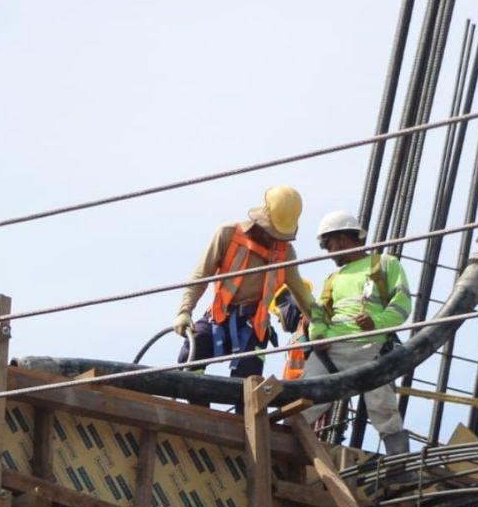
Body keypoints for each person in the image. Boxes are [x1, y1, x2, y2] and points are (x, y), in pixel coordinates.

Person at [173, 185, 315, 380]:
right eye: (272, 231)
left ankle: (241, 410)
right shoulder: (228, 234)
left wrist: (323, 324)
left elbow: (303, 296)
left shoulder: (285, 254)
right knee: (192, 355)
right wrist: (184, 311)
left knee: (248, 385)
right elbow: (201, 275)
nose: (275, 238)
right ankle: (195, 408)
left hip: (254, 327)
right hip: (219, 317)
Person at [300, 210, 412, 456]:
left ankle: (399, 462)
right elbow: (319, 313)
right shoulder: (333, 278)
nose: (330, 254)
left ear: (341, 238)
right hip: (333, 349)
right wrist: (319, 336)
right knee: (304, 400)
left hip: (371, 347)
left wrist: (377, 322)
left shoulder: (384, 264)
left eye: (330, 246)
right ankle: (283, 444)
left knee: (382, 405)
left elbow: (402, 303)